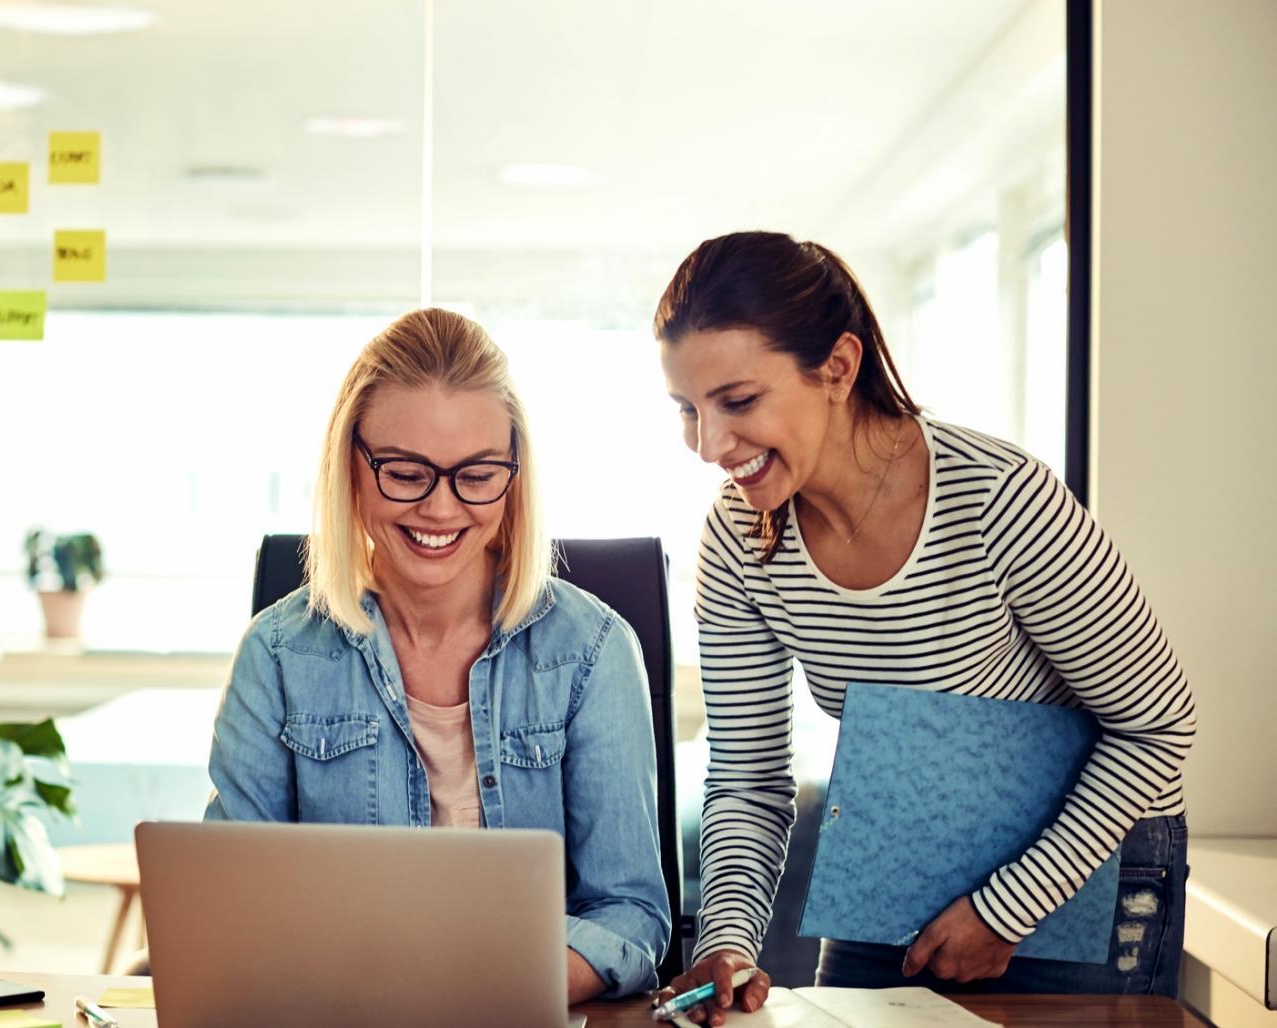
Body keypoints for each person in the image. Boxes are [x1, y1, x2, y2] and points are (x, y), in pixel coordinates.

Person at [654, 232, 1196, 1023]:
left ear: (838, 367)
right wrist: (727, 945)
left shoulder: (1000, 500)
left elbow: (1157, 724)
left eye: (737, 402)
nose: (709, 446)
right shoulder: (738, 536)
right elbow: (747, 777)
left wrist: (1006, 909)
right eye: (687, 411)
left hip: (1082, 876)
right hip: (894, 877)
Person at [203, 307, 671, 1001]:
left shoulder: (594, 652)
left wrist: (478, 989)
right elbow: (229, 910)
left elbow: (631, 917)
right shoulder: (275, 655)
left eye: (477, 473)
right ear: (352, 468)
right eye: (405, 471)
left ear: (514, 477)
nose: (441, 509)